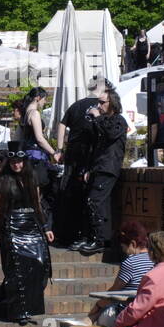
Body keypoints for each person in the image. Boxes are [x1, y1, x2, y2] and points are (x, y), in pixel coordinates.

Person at [0, 150, 53, 325]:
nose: (16, 165)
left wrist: (45, 226)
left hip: (32, 225)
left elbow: (37, 204)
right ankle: (18, 310)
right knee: (17, 268)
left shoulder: (32, 178)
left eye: (19, 161)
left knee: (40, 263)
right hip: (11, 225)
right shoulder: (2, 180)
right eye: (12, 162)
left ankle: (30, 306)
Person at [55, 79, 110, 247]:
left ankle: (67, 234)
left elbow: (62, 124)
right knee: (89, 196)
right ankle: (86, 235)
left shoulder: (76, 105)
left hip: (73, 155)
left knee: (69, 193)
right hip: (91, 156)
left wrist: (59, 149)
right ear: (103, 89)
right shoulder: (102, 107)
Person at [76, 90, 128, 255]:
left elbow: (111, 133)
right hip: (98, 167)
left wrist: (97, 117)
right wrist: (89, 169)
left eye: (102, 102)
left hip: (109, 167)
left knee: (95, 201)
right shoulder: (101, 122)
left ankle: (101, 240)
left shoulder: (119, 120)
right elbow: (96, 148)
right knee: (95, 202)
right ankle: (95, 238)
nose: (99, 106)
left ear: (112, 103)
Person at [11, 86, 58, 187]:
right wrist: (54, 153)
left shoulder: (25, 114)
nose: (44, 102)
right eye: (44, 99)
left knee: (30, 188)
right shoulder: (34, 113)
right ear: (37, 98)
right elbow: (39, 138)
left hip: (27, 154)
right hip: (35, 156)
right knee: (38, 188)